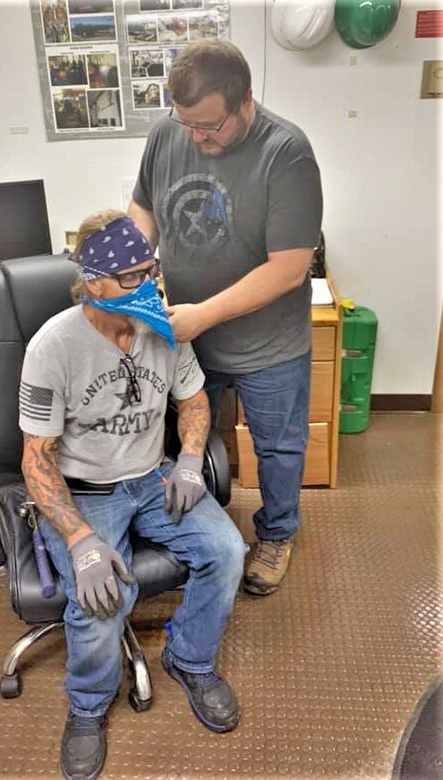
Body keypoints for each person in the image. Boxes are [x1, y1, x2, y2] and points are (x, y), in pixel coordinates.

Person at [19, 209, 246, 780]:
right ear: (92, 280)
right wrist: (78, 538)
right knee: (103, 598)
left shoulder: (162, 327)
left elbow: (193, 402)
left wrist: (191, 460)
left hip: (152, 477)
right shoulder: (54, 346)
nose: (149, 287)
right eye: (132, 277)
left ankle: (189, 659)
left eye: (153, 272)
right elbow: (36, 458)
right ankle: (89, 708)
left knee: (227, 551)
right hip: (84, 489)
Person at [128, 39, 323, 597]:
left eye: (209, 126)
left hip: (270, 345)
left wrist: (202, 316)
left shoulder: (287, 153)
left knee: (278, 450)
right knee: (187, 439)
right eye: (186, 123)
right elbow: (144, 204)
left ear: (245, 102)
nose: (196, 137)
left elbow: (289, 269)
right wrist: (135, 266)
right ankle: (203, 536)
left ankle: (277, 533)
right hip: (188, 340)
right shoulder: (169, 132)